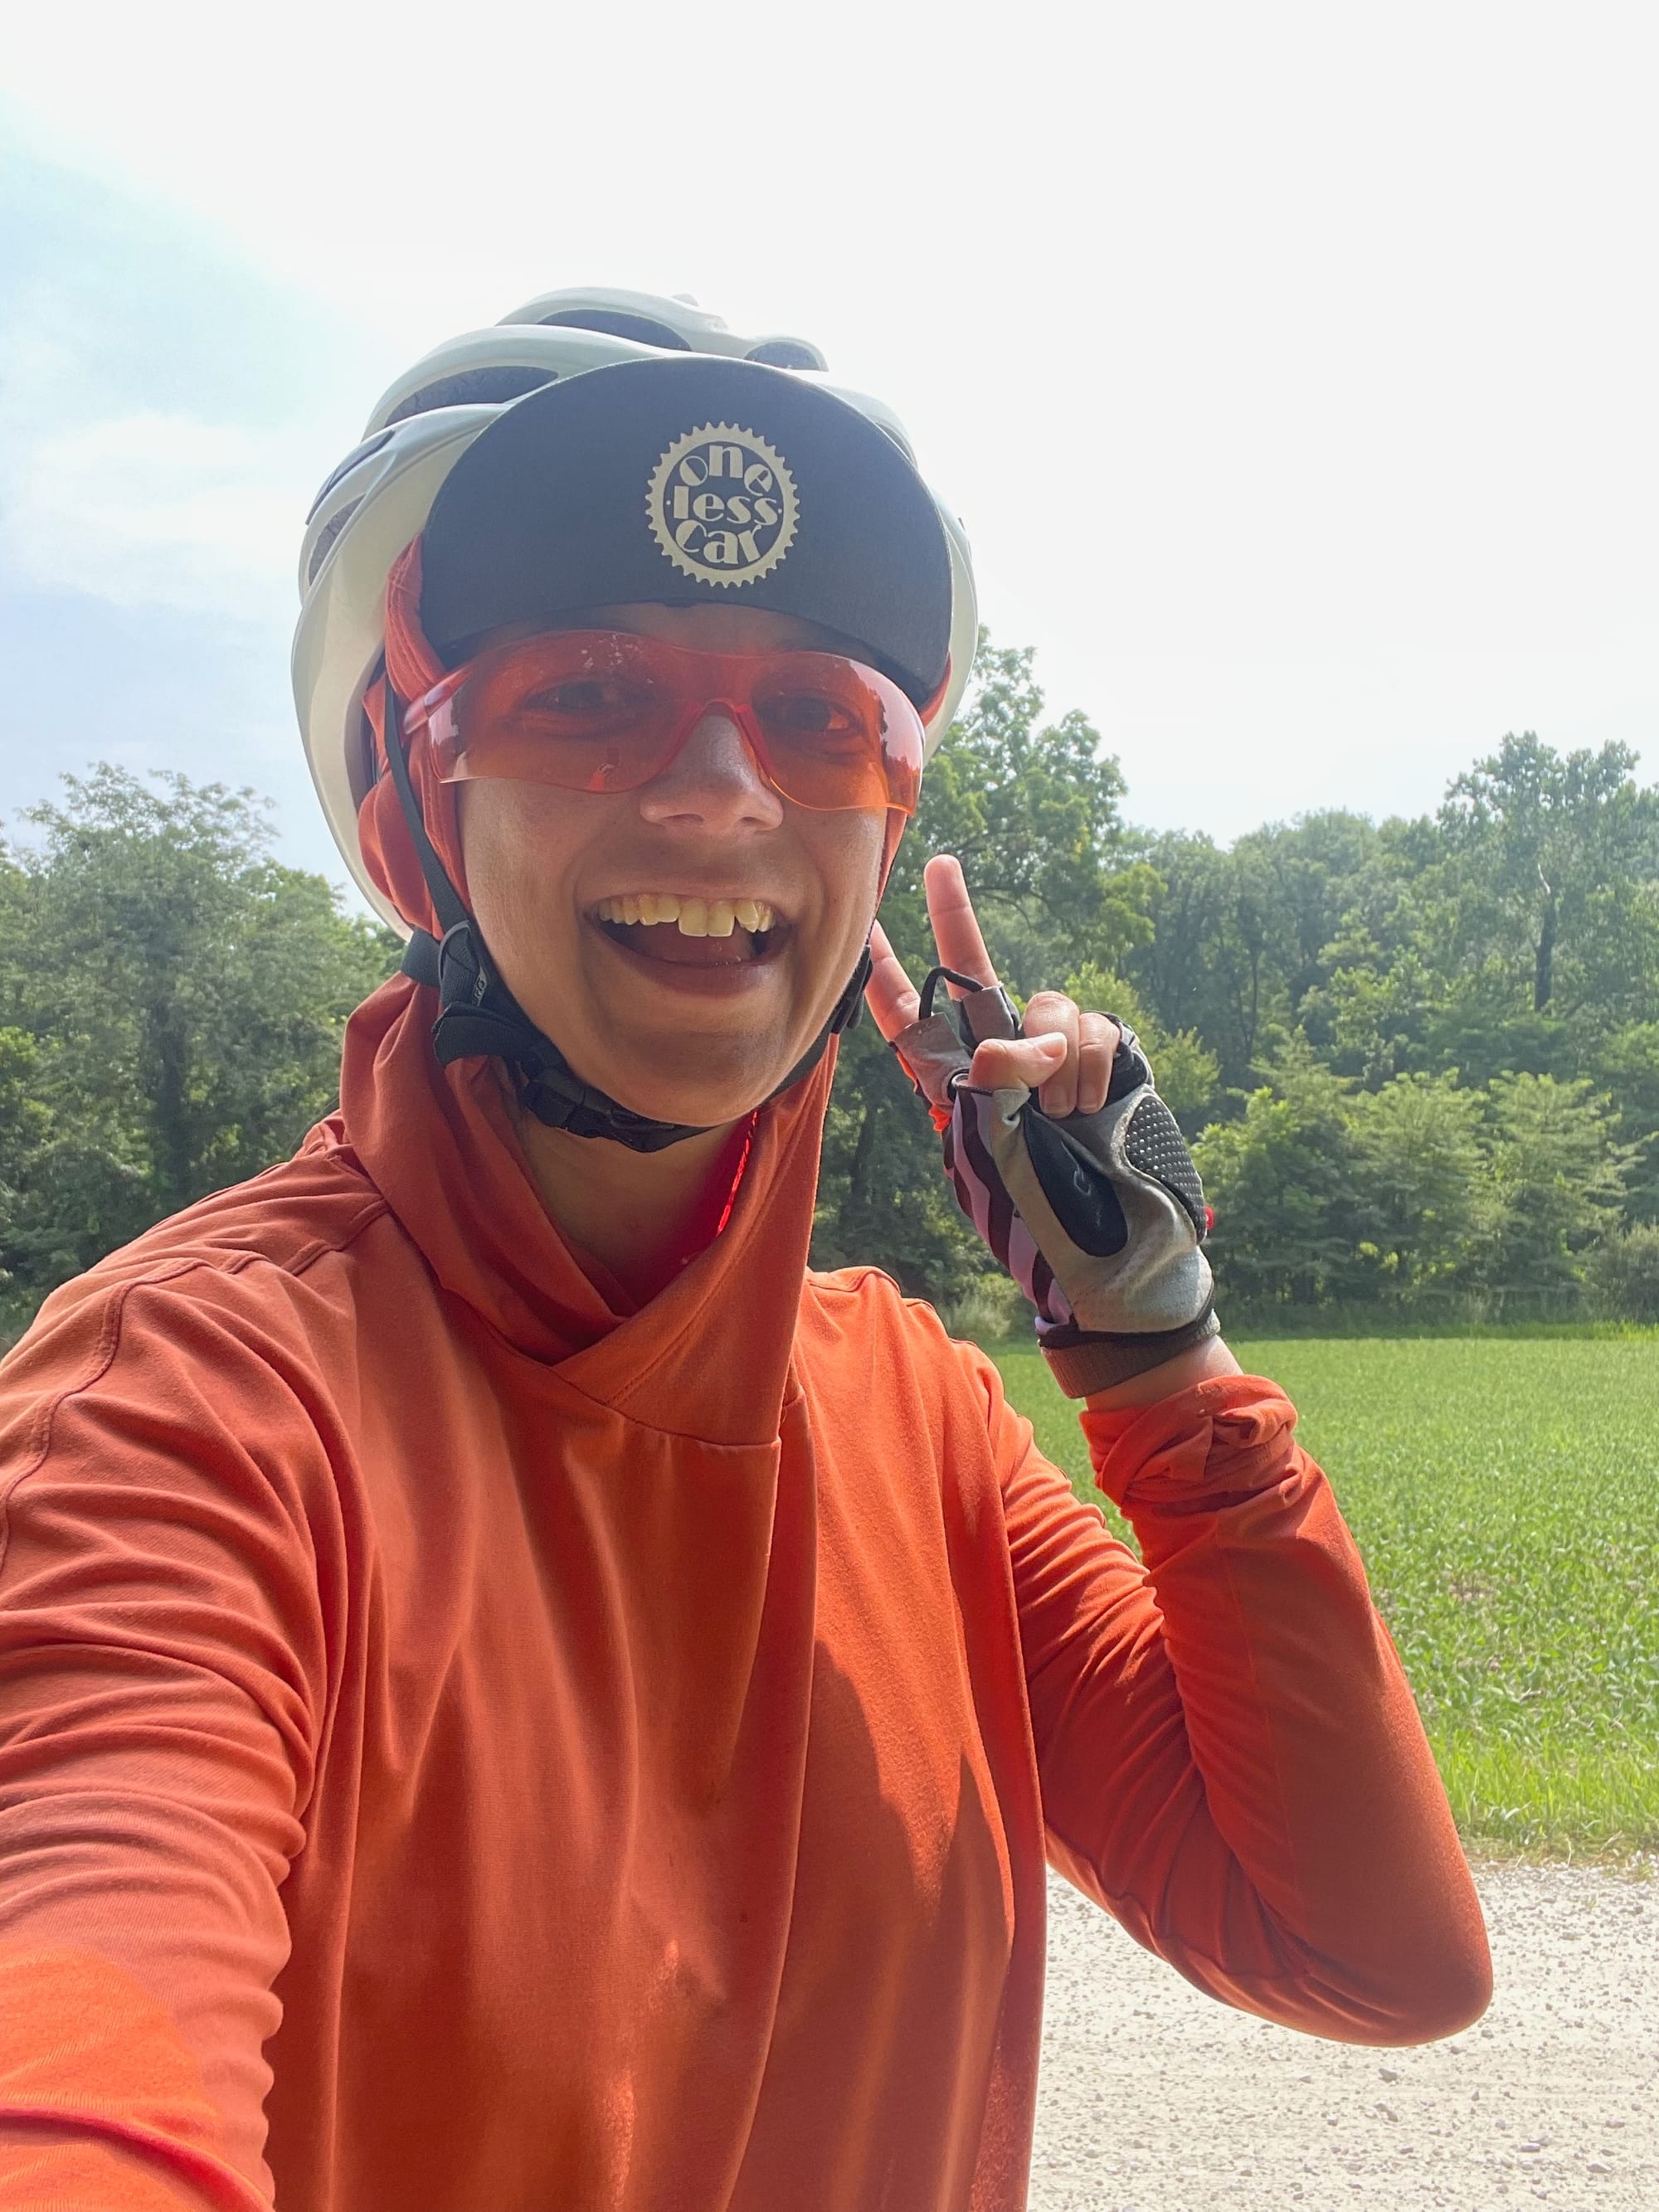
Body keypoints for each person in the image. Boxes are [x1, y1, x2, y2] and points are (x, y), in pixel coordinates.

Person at [0, 288, 1490, 2212]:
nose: (720, 789)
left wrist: (1155, 1349)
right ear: (413, 797)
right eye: (588, 694)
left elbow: (1371, 1951)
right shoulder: (190, 1408)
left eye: (817, 717)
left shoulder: (913, 1420)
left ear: (886, 825)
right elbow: (78, 2020)